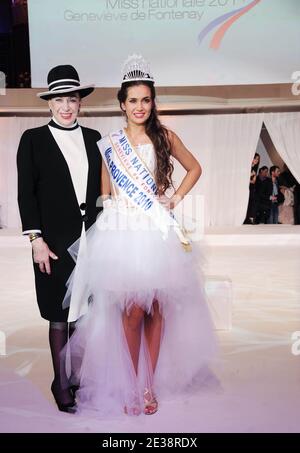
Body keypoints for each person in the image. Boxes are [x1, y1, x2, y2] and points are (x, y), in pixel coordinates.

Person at [63, 55, 217, 416]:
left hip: (157, 232)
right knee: (131, 312)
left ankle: (149, 385)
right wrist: (115, 217)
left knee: (157, 310)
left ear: (153, 102)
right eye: (133, 100)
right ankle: (132, 381)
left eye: (146, 100)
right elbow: (105, 195)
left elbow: (195, 168)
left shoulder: (164, 137)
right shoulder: (111, 144)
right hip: (125, 235)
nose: (140, 107)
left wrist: (174, 199)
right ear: (122, 104)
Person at [17, 65, 102, 413]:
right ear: (49, 103)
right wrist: (35, 238)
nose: (66, 106)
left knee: (85, 314)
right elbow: (27, 194)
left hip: (93, 240)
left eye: (72, 99)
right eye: (59, 100)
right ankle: (60, 381)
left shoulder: (96, 138)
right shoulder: (33, 139)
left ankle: (76, 376)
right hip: (52, 243)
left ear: (80, 102)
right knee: (59, 315)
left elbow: (104, 189)